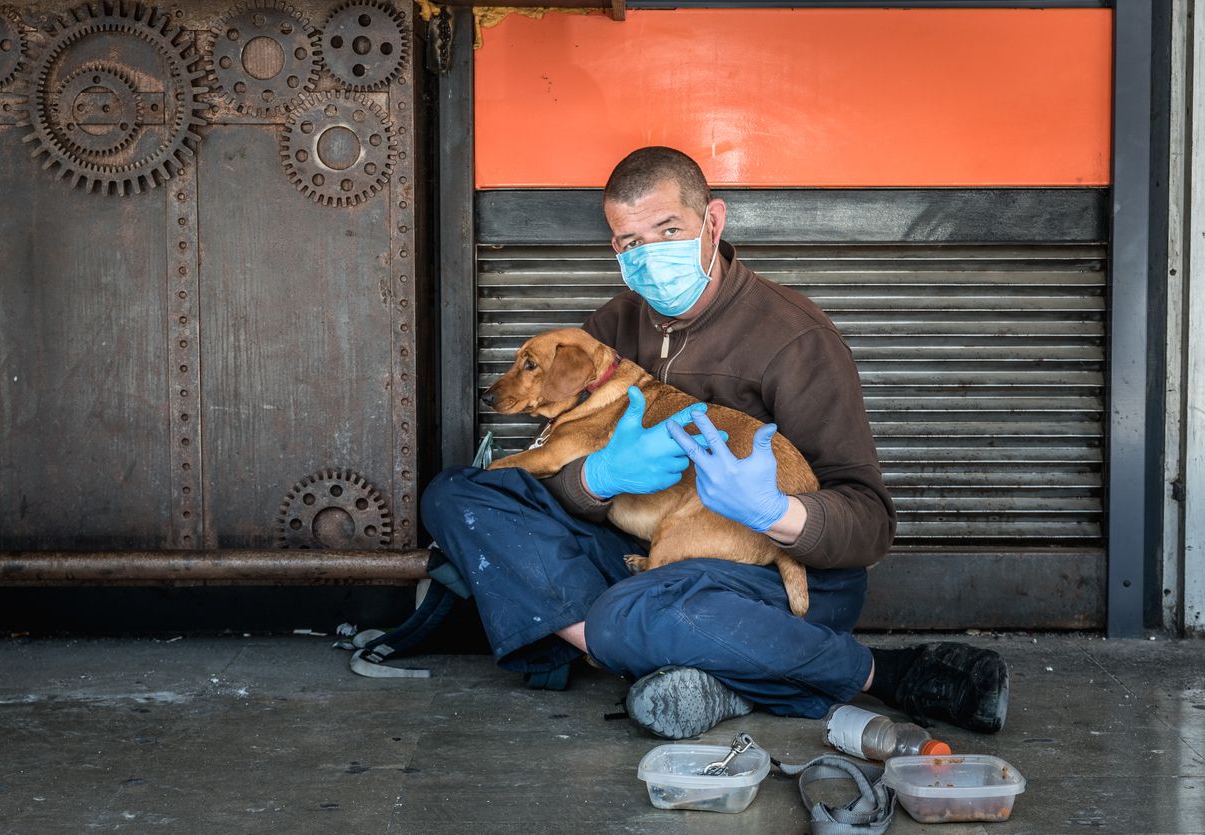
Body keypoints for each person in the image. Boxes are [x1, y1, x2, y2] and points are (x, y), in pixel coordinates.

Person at [421, 146, 1008, 739]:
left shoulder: (797, 338)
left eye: (667, 229)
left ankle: (881, 673)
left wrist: (775, 511)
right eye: (629, 242)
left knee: (633, 612)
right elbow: (555, 470)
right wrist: (598, 479)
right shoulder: (611, 328)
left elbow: (871, 522)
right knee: (453, 495)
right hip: (646, 552)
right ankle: (655, 652)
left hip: (774, 578)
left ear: (713, 222)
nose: (648, 255)